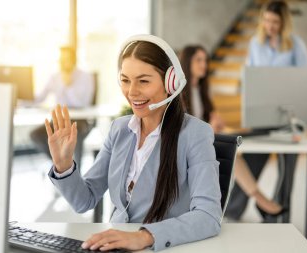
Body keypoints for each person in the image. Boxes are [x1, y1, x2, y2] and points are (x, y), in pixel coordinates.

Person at [44, 35, 222, 251]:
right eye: (125, 80)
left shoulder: (195, 134)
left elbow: (208, 216)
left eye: (143, 81)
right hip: (115, 247)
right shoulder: (120, 130)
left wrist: (145, 237)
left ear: (170, 83)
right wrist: (64, 166)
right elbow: (85, 200)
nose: (131, 91)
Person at [226, 0, 307, 221]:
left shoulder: (295, 45)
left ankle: (276, 212)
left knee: (287, 167)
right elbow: (250, 77)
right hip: (262, 112)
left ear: (284, 23)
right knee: (253, 160)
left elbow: (304, 80)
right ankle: (233, 209)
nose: (270, 25)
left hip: (287, 116)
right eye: (267, 20)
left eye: (275, 21)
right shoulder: (256, 43)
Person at [179, 45, 285, 218]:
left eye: (205, 60)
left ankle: (253, 201)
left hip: (203, 140)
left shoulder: (202, 91)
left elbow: (204, 122)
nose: (204, 64)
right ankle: (260, 199)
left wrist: (215, 124)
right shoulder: (180, 93)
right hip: (188, 145)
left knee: (235, 148)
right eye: (198, 60)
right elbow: (183, 128)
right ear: (186, 62)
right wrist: (208, 128)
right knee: (231, 151)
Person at [30, 46, 94, 168]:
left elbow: (85, 103)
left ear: (74, 60)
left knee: (75, 135)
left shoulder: (86, 77)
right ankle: (61, 162)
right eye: (61, 60)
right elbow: (40, 98)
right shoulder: (55, 77)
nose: (63, 63)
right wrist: (21, 98)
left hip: (79, 122)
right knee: (36, 135)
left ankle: (76, 173)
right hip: (58, 121)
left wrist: (68, 85)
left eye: (66, 60)